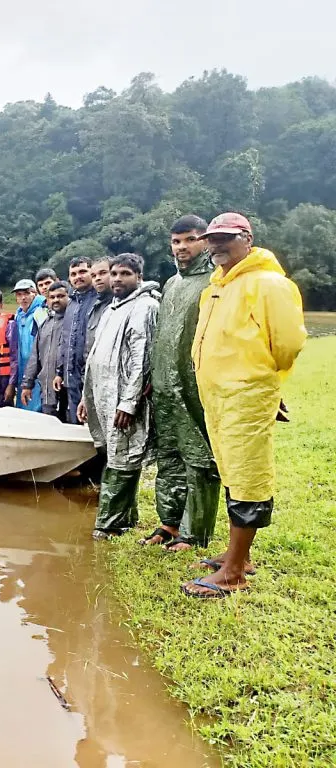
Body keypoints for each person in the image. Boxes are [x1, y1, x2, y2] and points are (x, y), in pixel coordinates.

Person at [182, 213, 306, 598]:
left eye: (226, 238)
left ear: (247, 238)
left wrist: (265, 384)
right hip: (217, 397)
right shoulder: (215, 287)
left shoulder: (270, 284)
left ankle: (234, 571)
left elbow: (287, 343)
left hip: (245, 394)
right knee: (231, 470)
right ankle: (238, 554)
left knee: (247, 475)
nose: (217, 245)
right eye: (212, 239)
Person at [143, 216, 222, 552]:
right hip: (163, 386)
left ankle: (195, 532)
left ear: (204, 241)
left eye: (189, 240)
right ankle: (169, 522)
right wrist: (151, 377)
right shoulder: (170, 284)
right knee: (169, 456)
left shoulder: (215, 283)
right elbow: (161, 337)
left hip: (195, 387)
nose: (182, 248)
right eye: (176, 242)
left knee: (199, 459)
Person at [78, 254, 159, 540]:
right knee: (111, 452)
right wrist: (86, 398)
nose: (116, 279)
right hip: (101, 396)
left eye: (125, 274)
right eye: (114, 273)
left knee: (122, 458)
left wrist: (129, 402)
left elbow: (142, 359)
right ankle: (126, 516)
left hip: (124, 399)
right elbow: (95, 358)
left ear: (138, 277)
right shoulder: (111, 308)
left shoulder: (145, 307)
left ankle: (110, 524)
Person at [55, 256, 97, 423]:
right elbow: (65, 341)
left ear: (91, 273)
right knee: (74, 422)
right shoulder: (71, 304)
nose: (78, 277)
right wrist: (60, 372)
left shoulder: (99, 301)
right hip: (71, 377)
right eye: (73, 274)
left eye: (82, 272)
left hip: (92, 377)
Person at [22, 281, 69, 419]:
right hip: (47, 390)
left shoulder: (74, 323)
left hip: (67, 392)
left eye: (60, 296)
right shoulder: (45, 324)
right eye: (52, 297)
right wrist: (27, 385)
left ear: (69, 297)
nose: (56, 300)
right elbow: (34, 357)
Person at [9, 279, 48, 411]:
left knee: (36, 405)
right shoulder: (18, 315)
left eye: (26, 293)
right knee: (22, 403)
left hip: (38, 367)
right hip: (22, 368)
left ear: (34, 293)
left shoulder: (42, 311)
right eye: (19, 294)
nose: (23, 297)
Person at [84, 257, 112, 361]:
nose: (97, 278)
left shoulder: (123, 304)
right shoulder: (95, 308)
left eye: (103, 273)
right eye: (93, 275)